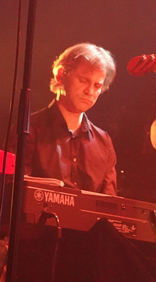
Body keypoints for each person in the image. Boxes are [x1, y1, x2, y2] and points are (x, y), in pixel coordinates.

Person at [26, 42, 118, 196]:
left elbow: (109, 203)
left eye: (97, 86)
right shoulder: (29, 129)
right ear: (60, 76)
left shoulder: (104, 142)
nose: (90, 91)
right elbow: (12, 191)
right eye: (83, 80)